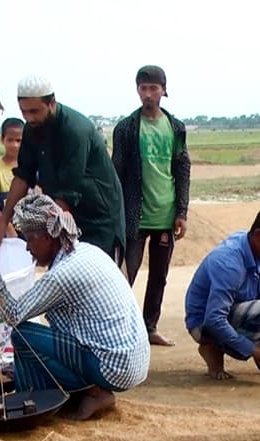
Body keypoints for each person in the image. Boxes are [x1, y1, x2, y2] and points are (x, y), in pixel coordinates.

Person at [0, 194, 149, 420]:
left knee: (23, 336)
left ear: (47, 237)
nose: (27, 248)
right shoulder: (87, 251)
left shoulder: (63, 274)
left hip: (113, 367)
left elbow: (13, 314)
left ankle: (82, 392)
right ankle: (68, 391)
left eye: (30, 240)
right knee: (41, 339)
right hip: (132, 362)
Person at [0, 75, 125, 262]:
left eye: (34, 111)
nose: (29, 118)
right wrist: (3, 221)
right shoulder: (31, 130)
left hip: (98, 221)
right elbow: (23, 176)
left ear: (51, 103)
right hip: (62, 216)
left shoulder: (75, 130)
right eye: (24, 112)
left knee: (95, 279)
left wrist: (44, 234)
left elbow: (67, 193)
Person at [112, 65, 191, 347]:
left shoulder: (176, 127)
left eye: (153, 88)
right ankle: (117, 327)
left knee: (159, 276)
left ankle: (149, 327)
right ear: (137, 90)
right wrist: (115, 213)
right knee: (124, 274)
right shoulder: (126, 128)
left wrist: (182, 212)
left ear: (163, 90)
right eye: (143, 88)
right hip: (134, 215)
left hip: (165, 214)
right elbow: (116, 171)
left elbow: (182, 168)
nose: (148, 94)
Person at [184, 204, 260, 380]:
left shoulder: (250, 242)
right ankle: (211, 347)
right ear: (258, 236)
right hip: (204, 323)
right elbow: (214, 319)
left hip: (238, 303)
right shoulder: (229, 264)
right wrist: (254, 350)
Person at [0, 118, 24, 236]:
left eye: (19, 140)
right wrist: (6, 224)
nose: (15, 145)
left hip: (28, 229)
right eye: (10, 140)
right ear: (2, 139)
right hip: (6, 231)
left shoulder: (28, 167)